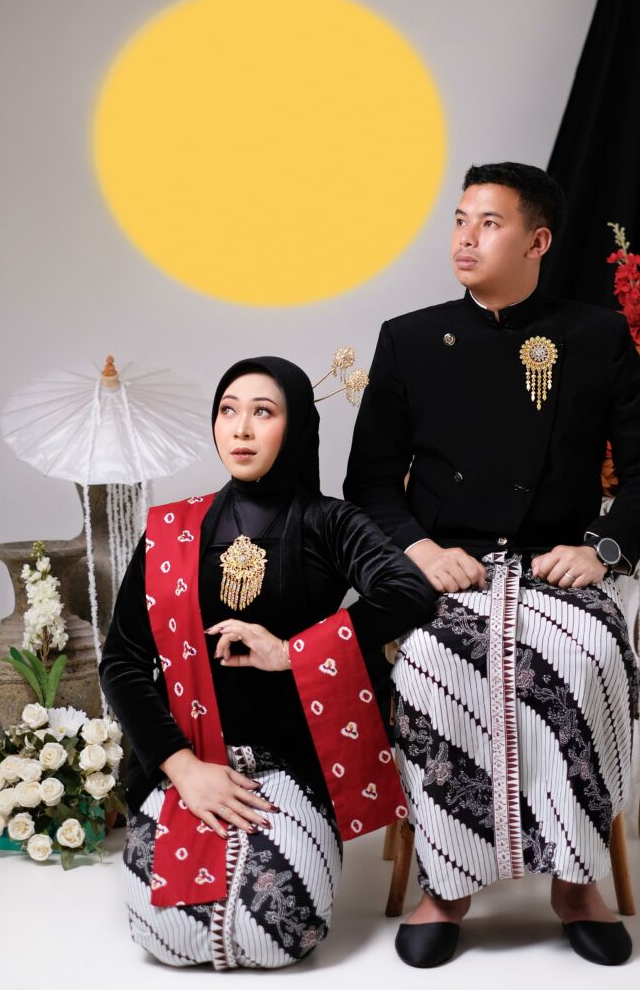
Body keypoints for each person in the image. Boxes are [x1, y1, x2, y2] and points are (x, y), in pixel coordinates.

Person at [344, 163, 640, 968]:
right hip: (445, 567)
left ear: (537, 241)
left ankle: (576, 882)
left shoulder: (595, 335)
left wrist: (602, 548)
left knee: (588, 657)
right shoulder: (410, 338)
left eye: (489, 223)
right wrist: (421, 552)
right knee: (430, 662)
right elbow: (368, 482)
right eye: (460, 220)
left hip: (554, 565)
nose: (465, 238)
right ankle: (446, 885)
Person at [100, 356, 437, 971]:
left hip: (293, 766)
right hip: (191, 761)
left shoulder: (330, 522)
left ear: (297, 425)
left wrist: (292, 653)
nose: (241, 429)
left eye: (263, 412)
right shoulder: (171, 529)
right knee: (162, 933)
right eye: (228, 411)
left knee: (276, 933)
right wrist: (182, 768)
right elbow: (122, 661)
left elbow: (408, 591)